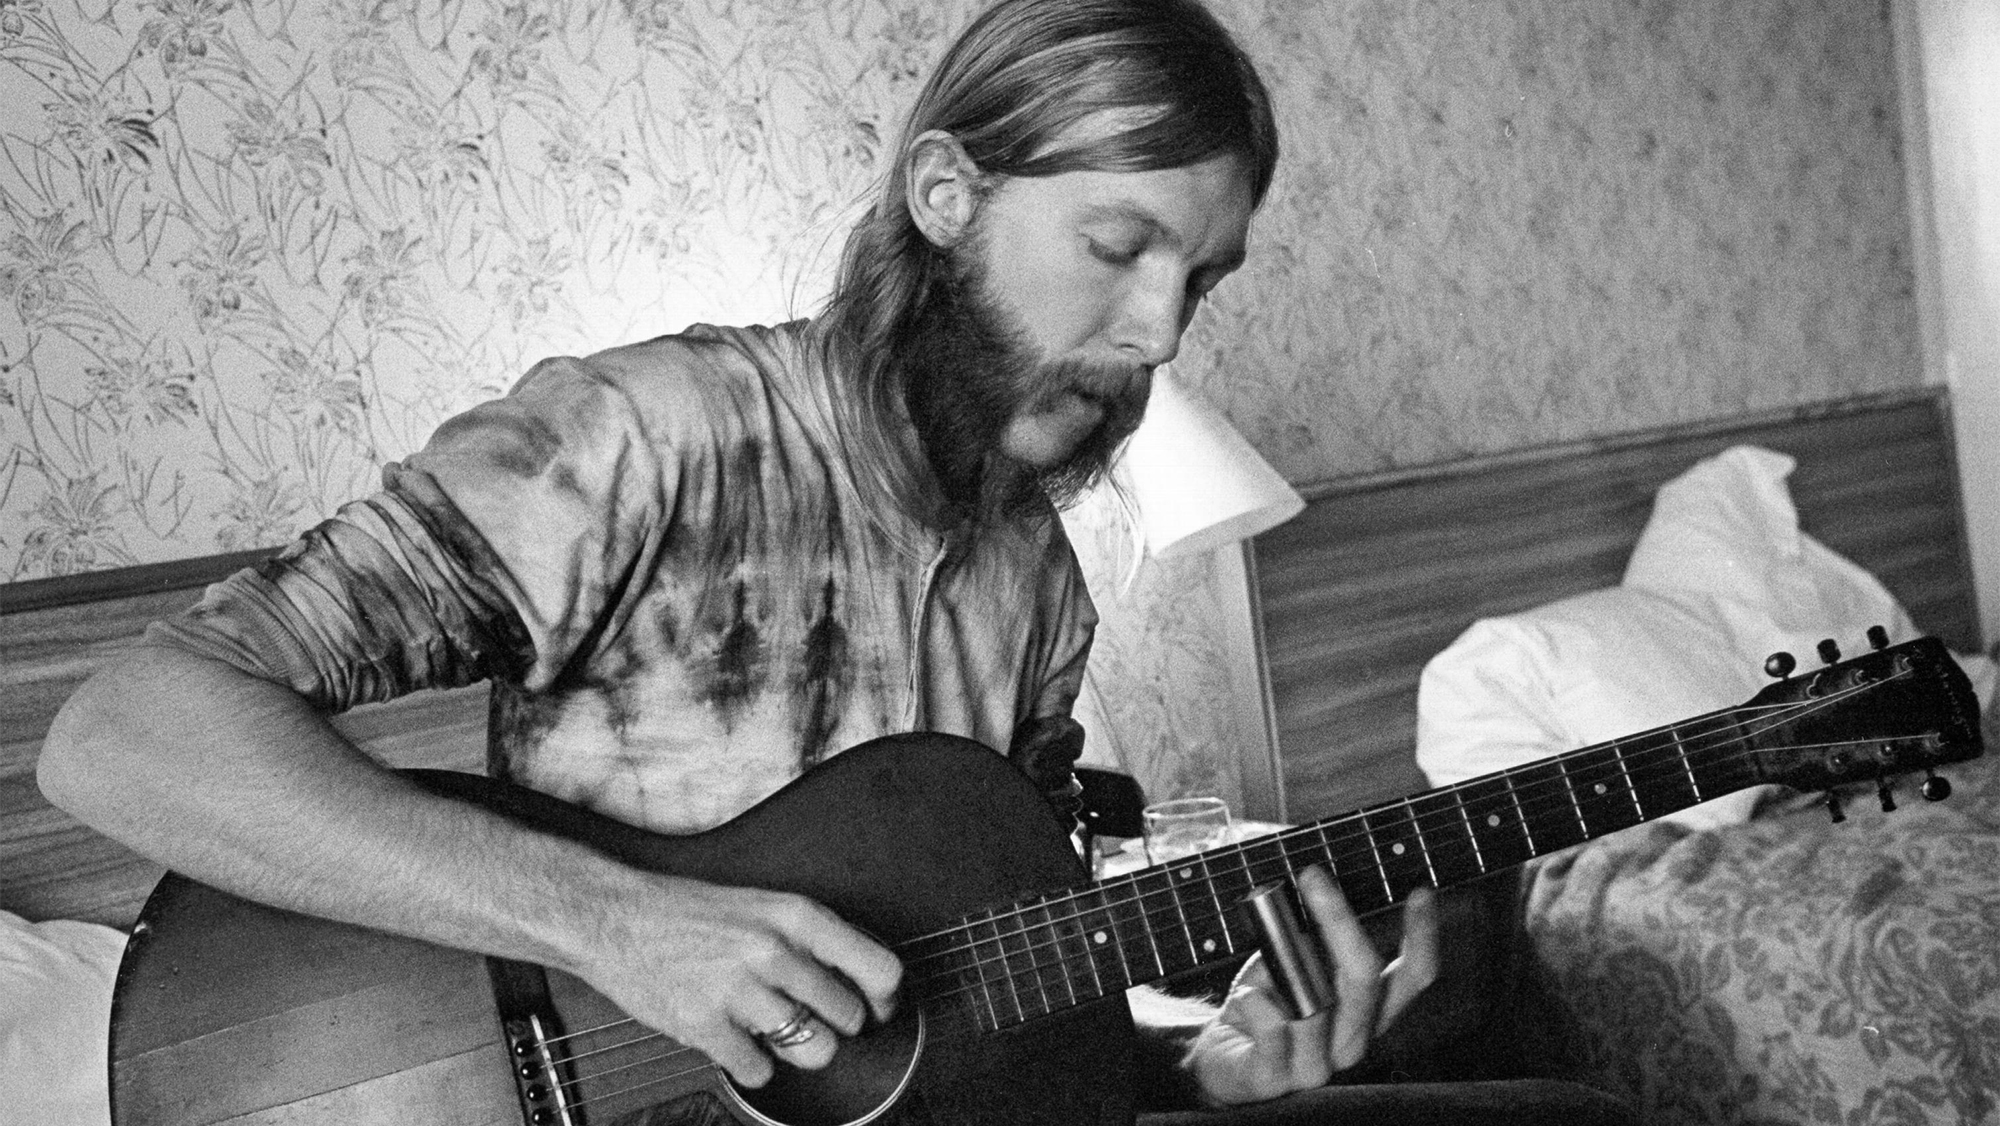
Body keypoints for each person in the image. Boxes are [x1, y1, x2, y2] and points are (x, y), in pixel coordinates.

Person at [40, 1, 1629, 1123]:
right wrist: (617, 925)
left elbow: (957, 1027)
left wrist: (1193, 1070)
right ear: (948, 194)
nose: (1156, 336)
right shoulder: (651, 437)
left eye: (1197, 277)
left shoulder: (1042, 587)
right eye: (1117, 246)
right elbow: (121, 734)